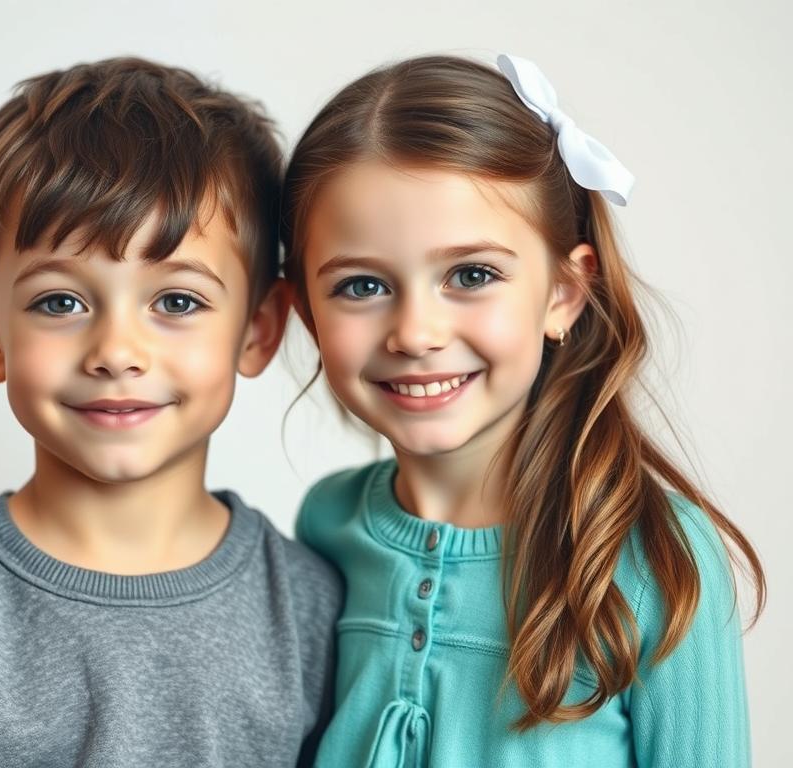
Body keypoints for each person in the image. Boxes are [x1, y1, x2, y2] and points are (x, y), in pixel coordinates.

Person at [0, 57, 341, 767]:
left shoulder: (314, 613)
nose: (116, 352)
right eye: (60, 302)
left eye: (177, 301)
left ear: (259, 330)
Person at [280, 53, 764, 767]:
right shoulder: (327, 526)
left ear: (563, 293)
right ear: (305, 313)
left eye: (471, 275)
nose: (415, 333)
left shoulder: (654, 557)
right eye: (360, 286)